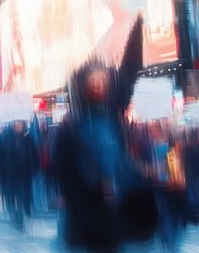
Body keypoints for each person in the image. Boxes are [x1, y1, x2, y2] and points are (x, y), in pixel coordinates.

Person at [54, 17, 157, 252]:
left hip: (121, 209)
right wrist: (84, 192)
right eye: (94, 81)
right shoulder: (71, 128)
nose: (100, 84)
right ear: (83, 86)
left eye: (103, 80)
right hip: (89, 213)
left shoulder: (112, 112)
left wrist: (137, 29)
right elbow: (65, 173)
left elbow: (130, 72)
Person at [0, 120, 38, 230]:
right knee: (11, 196)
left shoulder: (28, 138)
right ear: (12, 125)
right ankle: (15, 216)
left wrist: (34, 168)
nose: (18, 126)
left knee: (23, 196)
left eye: (20, 124)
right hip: (9, 174)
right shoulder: (3, 138)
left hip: (24, 173)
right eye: (16, 124)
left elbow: (34, 155)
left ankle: (21, 218)